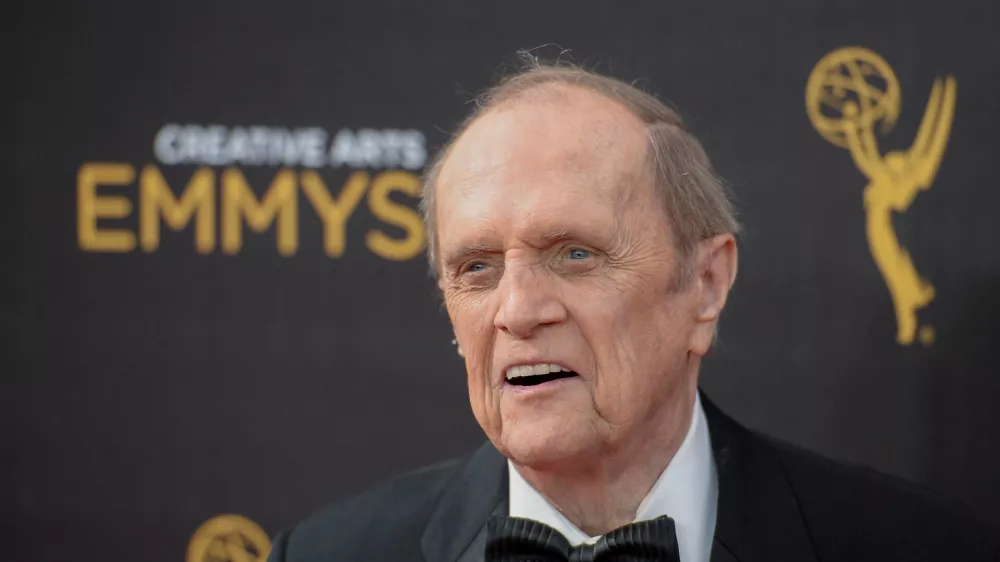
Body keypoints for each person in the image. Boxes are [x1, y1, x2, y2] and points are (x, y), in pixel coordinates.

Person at [266, 61, 999, 562]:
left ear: (705, 286)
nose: (517, 313)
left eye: (575, 254)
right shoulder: (331, 553)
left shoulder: (917, 546)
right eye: (477, 269)